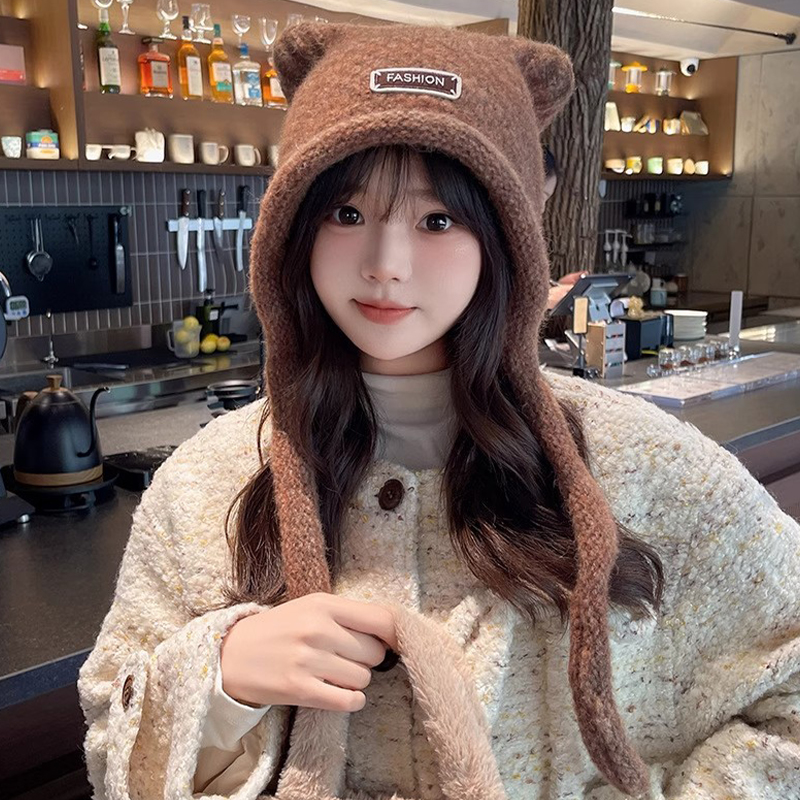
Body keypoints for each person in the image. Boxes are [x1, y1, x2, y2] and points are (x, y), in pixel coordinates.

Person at [78, 21, 800, 800]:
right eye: (346, 214)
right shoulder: (207, 483)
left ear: (505, 238)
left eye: (437, 220)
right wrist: (217, 678)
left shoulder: (649, 465)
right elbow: (110, 746)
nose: (385, 266)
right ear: (292, 228)